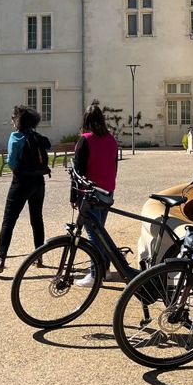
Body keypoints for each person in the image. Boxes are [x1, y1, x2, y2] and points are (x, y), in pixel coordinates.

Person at [0, 105, 51, 277]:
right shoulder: (36, 136)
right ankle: (39, 256)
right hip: (38, 181)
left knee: (9, 221)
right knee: (37, 219)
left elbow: (12, 162)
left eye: (13, 117)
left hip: (21, 181)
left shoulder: (16, 137)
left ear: (18, 120)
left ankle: (0, 259)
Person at [70, 102, 119, 288]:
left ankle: (94, 273)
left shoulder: (85, 140)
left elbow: (78, 172)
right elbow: (114, 166)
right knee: (101, 231)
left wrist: (73, 196)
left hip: (89, 193)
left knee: (93, 235)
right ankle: (105, 269)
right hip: (106, 191)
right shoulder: (111, 139)